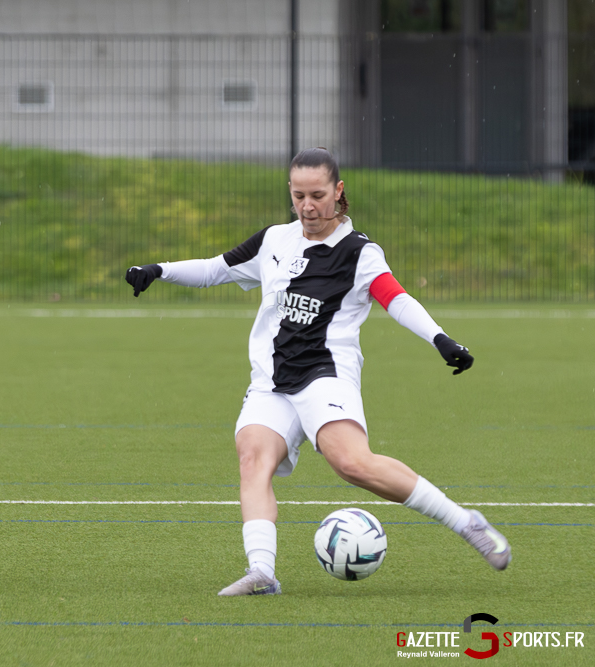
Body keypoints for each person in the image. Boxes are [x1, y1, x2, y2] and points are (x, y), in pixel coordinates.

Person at [125, 147, 510, 596]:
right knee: (252, 458)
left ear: (338, 192)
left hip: (325, 375)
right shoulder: (274, 240)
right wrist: (159, 270)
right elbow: (216, 269)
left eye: (317, 195)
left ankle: (467, 523)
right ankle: (262, 573)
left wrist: (440, 339)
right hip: (271, 380)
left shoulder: (358, 252)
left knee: (351, 463)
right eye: (298, 196)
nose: (308, 206)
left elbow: (396, 298)